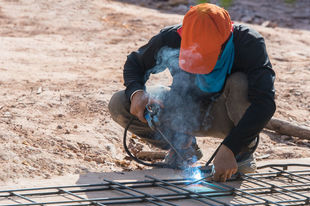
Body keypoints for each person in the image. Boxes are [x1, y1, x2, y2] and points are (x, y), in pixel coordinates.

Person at [108, 3, 276, 182]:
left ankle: (241, 154)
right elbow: (135, 63)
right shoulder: (171, 38)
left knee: (241, 83)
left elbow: (265, 103)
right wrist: (137, 93)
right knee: (120, 103)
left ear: (225, 40)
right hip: (185, 113)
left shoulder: (248, 43)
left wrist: (231, 148)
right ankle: (182, 147)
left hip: (226, 116)